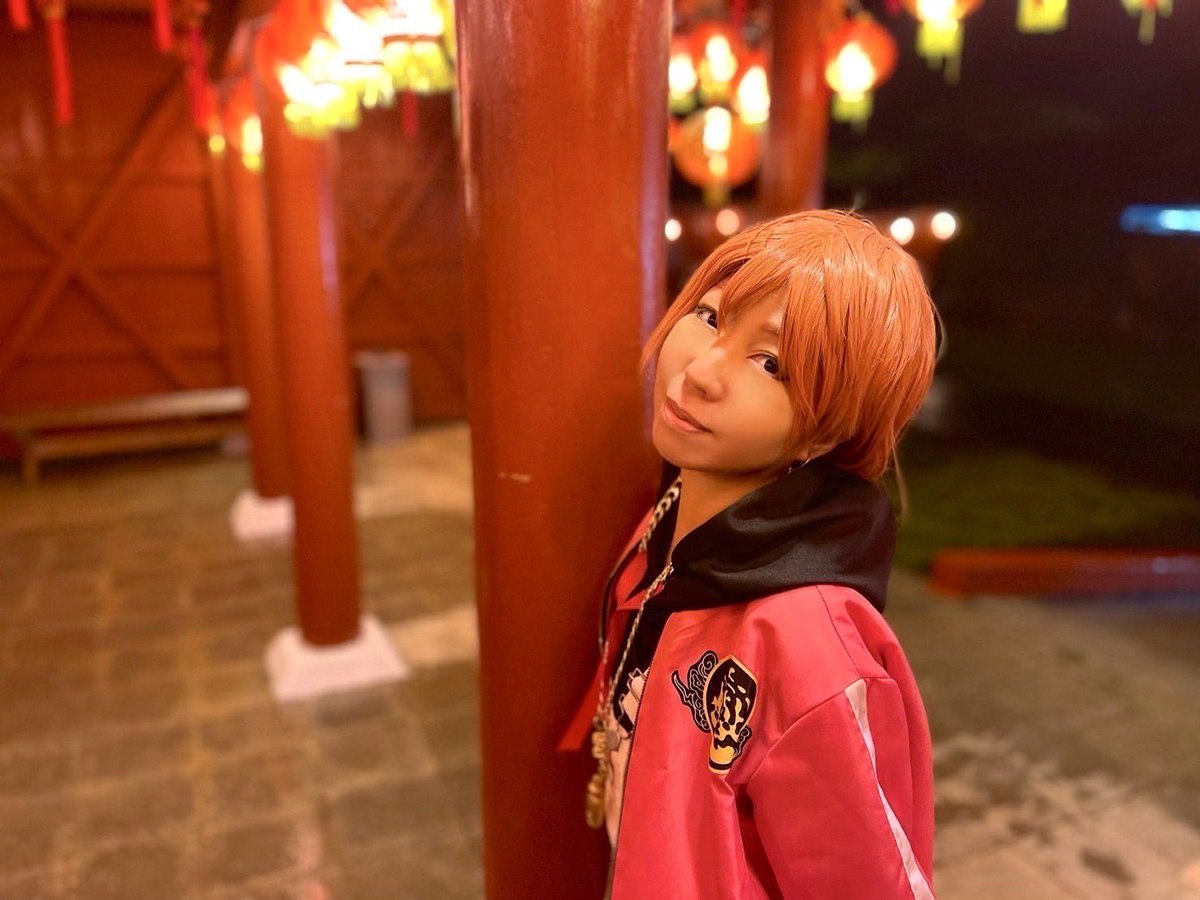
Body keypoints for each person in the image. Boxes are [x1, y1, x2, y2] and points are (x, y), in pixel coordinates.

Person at [560, 209, 943, 898]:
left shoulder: (811, 648)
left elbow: (869, 884)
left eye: (770, 364)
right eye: (710, 316)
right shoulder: (674, 508)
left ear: (827, 432)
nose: (702, 371)